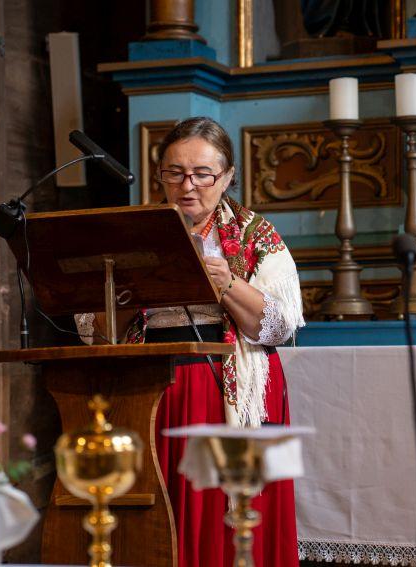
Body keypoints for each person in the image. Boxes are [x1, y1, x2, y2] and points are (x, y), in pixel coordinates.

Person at [128, 117, 304, 566]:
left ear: (226, 177)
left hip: (230, 388)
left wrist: (227, 283)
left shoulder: (254, 235)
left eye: (202, 174)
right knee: (162, 518)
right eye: (175, 173)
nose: (188, 186)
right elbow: (92, 325)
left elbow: (280, 328)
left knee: (230, 525)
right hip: (150, 390)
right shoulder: (135, 230)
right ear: (160, 176)